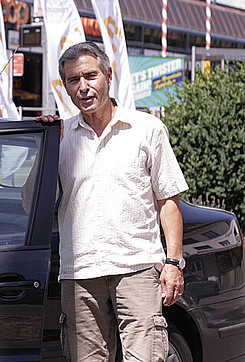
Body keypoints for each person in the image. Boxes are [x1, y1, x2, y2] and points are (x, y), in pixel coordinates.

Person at [39, 42, 187, 362]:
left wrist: (174, 263)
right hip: (80, 273)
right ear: (64, 87)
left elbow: (169, 200)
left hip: (137, 269)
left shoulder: (146, 129)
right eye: (73, 80)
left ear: (109, 74)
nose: (83, 87)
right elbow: (31, 204)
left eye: (90, 76)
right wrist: (46, 151)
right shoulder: (61, 137)